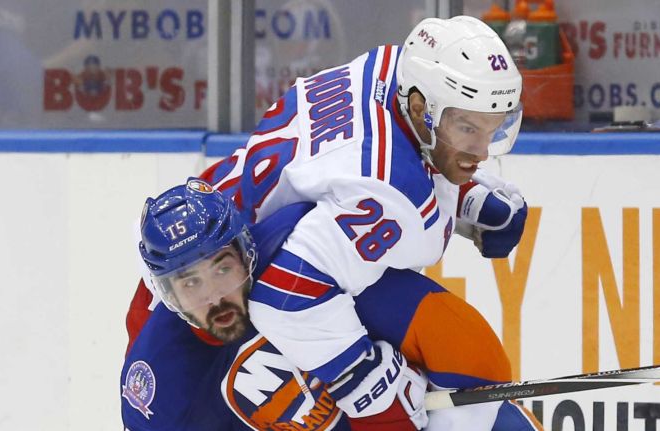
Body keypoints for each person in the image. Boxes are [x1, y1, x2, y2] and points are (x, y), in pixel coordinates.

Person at [196, 15, 534, 429]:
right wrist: (367, 380)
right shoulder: (388, 192)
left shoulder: (394, 68)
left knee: (459, 347)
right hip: (221, 310)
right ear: (419, 106)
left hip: (227, 243)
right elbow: (286, 297)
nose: (482, 152)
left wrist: (464, 195)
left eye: (493, 129)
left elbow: (362, 160)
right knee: (465, 354)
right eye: (467, 128)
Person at [122, 179, 540, 430]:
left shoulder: (305, 262)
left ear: (246, 249)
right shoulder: (160, 380)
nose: (213, 296)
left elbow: (478, 359)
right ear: (168, 295)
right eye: (189, 282)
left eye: (221, 268)